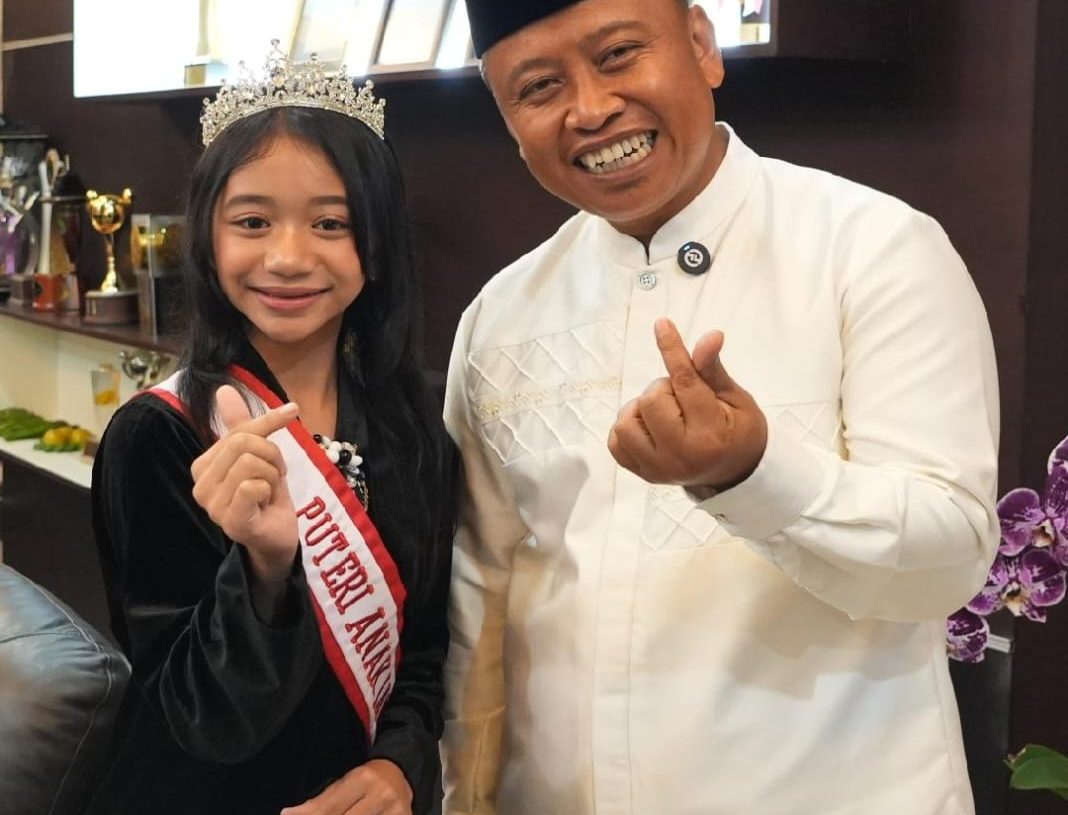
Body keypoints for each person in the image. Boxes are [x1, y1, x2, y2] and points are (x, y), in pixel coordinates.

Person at [442, 1, 1000, 814]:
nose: (590, 109)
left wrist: (753, 472)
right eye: (538, 87)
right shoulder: (500, 315)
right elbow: (479, 594)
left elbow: (948, 562)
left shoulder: (872, 249)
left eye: (618, 54)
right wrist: (464, 795)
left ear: (702, 46)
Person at [89, 44, 456, 815]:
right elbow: (197, 716)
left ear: (377, 245)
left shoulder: (414, 434)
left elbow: (423, 654)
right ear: (208, 237)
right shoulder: (159, 438)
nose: (288, 257)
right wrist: (264, 569)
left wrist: (398, 764)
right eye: (253, 221)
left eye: (331, 222)